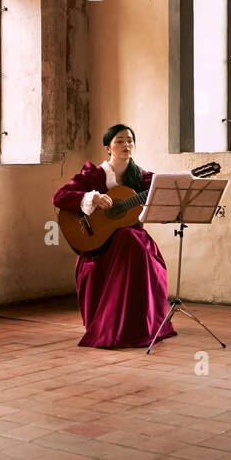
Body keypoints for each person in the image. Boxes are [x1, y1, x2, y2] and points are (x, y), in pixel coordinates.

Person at [52, 123, 177, 350]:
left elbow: (165, 195)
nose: (126, 145)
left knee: (130, 238)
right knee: (128, 239)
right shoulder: (95, 175)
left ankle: (139, 325)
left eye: (129, 140)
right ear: (107, 148)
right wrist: (93, 198)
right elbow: (60, 197)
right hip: (101, 244)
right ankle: (115, 326)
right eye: (119, 141)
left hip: (133, 242)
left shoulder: (143, 177)